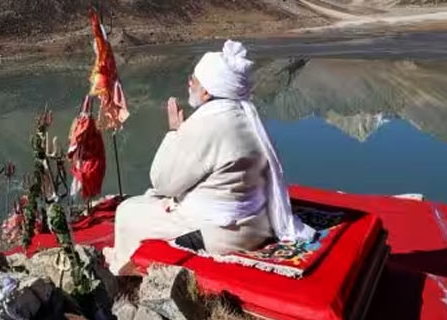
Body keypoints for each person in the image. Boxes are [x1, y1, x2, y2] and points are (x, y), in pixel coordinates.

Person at [104, 40, 314, 274]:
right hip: (256, 224)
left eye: (194, 80)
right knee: (151, 198)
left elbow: (163, 182)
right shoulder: (248, 116)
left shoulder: (208, 123)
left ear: (207, 91)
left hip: (220, 232)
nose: (189, 83)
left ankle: (127, 271)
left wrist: (174, 132)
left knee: (127, 211)